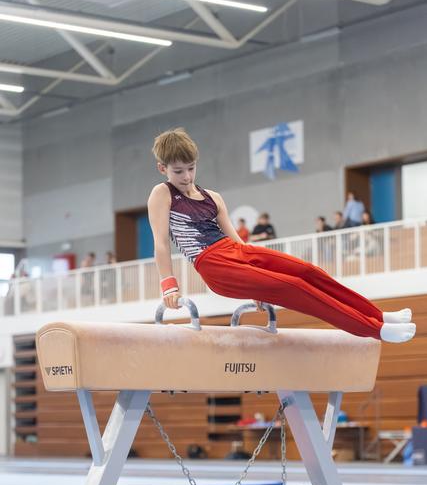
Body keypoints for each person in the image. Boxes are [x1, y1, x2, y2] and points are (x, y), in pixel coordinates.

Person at [147, 128, 415, 344]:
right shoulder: (163, 193)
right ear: (163, 169)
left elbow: (237, 242)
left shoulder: (212, 198)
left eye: (191, 168)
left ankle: (377, 315)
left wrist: (256, 283)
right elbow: (160, 242)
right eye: (178, 171)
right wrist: (169, 284)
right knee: (294, 287)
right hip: (213, 266)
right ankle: (374, 330)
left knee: (308, 271)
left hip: (236, 253)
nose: (186, 176)